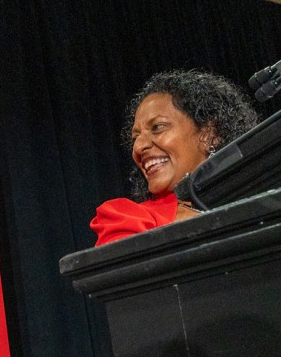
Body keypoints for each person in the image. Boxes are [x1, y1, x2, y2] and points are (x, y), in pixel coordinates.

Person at [90, 70, 259, 246]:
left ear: (210, 134)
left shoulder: (263, 199)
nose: (138, 147)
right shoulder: (127, 218)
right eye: (135, 138)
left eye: (157, 127)